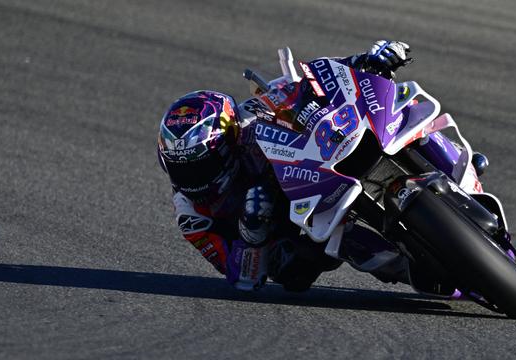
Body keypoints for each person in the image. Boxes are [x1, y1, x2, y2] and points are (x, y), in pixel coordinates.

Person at [157, 40, 412, 291]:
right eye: (181, 169)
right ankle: (407, 269)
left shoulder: (248, 120)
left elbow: (311, 85)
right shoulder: (192, 216)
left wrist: (365, 61)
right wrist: (252, 230)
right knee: (293, 265)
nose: (191, 178)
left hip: (310, 170)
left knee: (400, 110)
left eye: (200, 166)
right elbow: (241, 278)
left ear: (228, 143)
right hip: (289, 228)